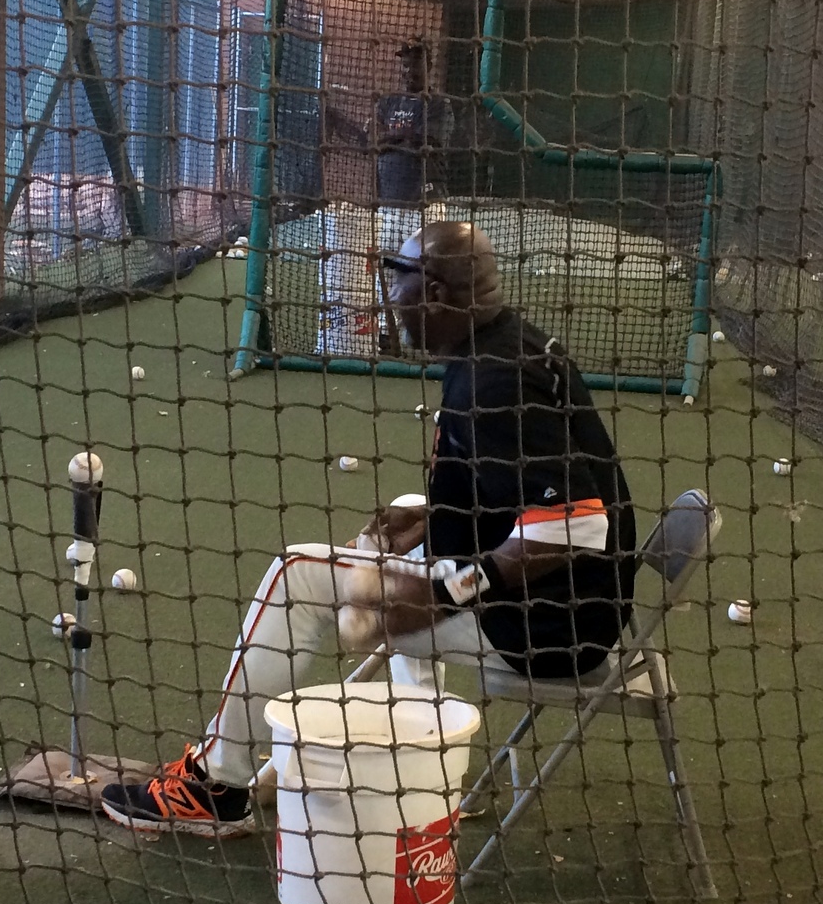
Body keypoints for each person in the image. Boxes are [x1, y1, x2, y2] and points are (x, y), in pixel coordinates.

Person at [101, 221, 636, 836]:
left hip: (550, 626)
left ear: (436, 293)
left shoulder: (494, 383)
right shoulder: (506, 343)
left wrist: (435, 595)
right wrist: (435, 516)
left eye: (400, 281)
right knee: (401, 517)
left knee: (297, 577)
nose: (392, 298)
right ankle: (423, 768)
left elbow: (576, 526)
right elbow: (527, 486)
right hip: (580, 602)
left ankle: (215, 785)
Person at [318, 39, 457, 356]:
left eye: (416, 63)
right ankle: (386, 334)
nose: (409, 69)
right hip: (389, 201)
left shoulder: (438, 104)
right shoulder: (389, 102)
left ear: (428, 66)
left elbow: (429, 139)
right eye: (405, 64)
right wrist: (399, 137)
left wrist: (394, 138)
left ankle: (428, 333)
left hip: (425, 200)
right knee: (390, 269)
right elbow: (373, 141)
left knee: (425, 272)